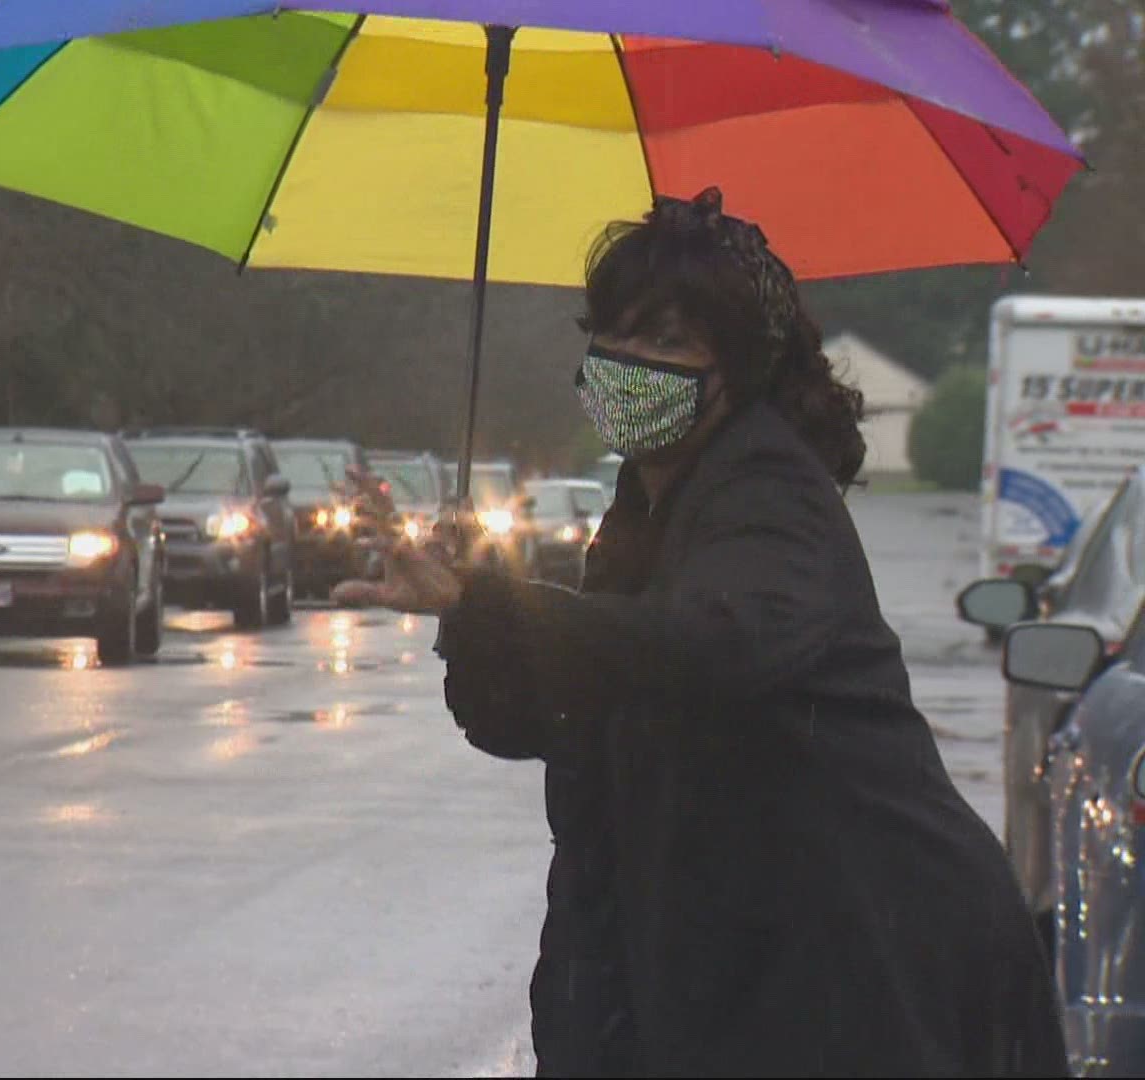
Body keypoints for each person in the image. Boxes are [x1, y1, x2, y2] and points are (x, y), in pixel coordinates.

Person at [335, 188, 1067, 1077]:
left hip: (855, 968)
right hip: (738, 960)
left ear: (739, 373)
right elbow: (557, 717)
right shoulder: (651, 502)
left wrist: (494, 607)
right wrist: (471, 616)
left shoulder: (767, 491)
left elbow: (712, 649)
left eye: (671, 342)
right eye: (618, 332)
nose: (631, 360)